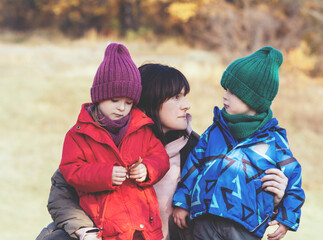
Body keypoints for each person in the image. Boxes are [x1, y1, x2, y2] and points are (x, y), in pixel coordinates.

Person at [36, 62, 289, 240]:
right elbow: (62, 193)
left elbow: (227, 205)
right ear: (151, 102)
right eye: (176, 97)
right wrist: (85, 231)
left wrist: (275, 201)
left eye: (185, 96)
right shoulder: (104, 143)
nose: (186, 105)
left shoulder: (198, 151)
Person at [172, 46, 305, 240]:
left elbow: (293, 180)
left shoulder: (273, 142)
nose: (225, 95)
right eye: (226, 89)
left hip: (244, 227)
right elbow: (193, 166)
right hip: (205, 220)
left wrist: (286, 218)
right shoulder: (215, 131)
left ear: (253, 99)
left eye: (233, 92)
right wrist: (181, 203)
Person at [57, 43, 171, 240]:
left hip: (145, 228)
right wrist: (105, 174)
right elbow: (71, 170)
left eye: (128, 103)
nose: (122, 108)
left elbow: (160, 157)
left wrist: (147, 170)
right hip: (108, 228)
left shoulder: (141, 128)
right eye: (115, 100)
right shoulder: (79, 134)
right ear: (99, 98)